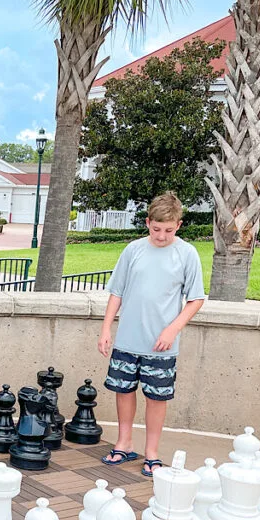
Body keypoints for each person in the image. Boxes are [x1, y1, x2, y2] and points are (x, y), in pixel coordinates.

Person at [98, 192, 206, 478]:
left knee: (157, 398)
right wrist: (106, 328)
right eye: (156, 229)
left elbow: (195, 299)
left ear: (178, 226)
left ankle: (152, 453)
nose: (161, 235)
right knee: (123, 392)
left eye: (168, 230)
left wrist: (172, 330)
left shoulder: (187, 254)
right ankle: (124, 443)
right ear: (147, 223)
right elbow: (116, 292)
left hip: (161, 346)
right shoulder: (133, 251)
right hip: (127, 340)